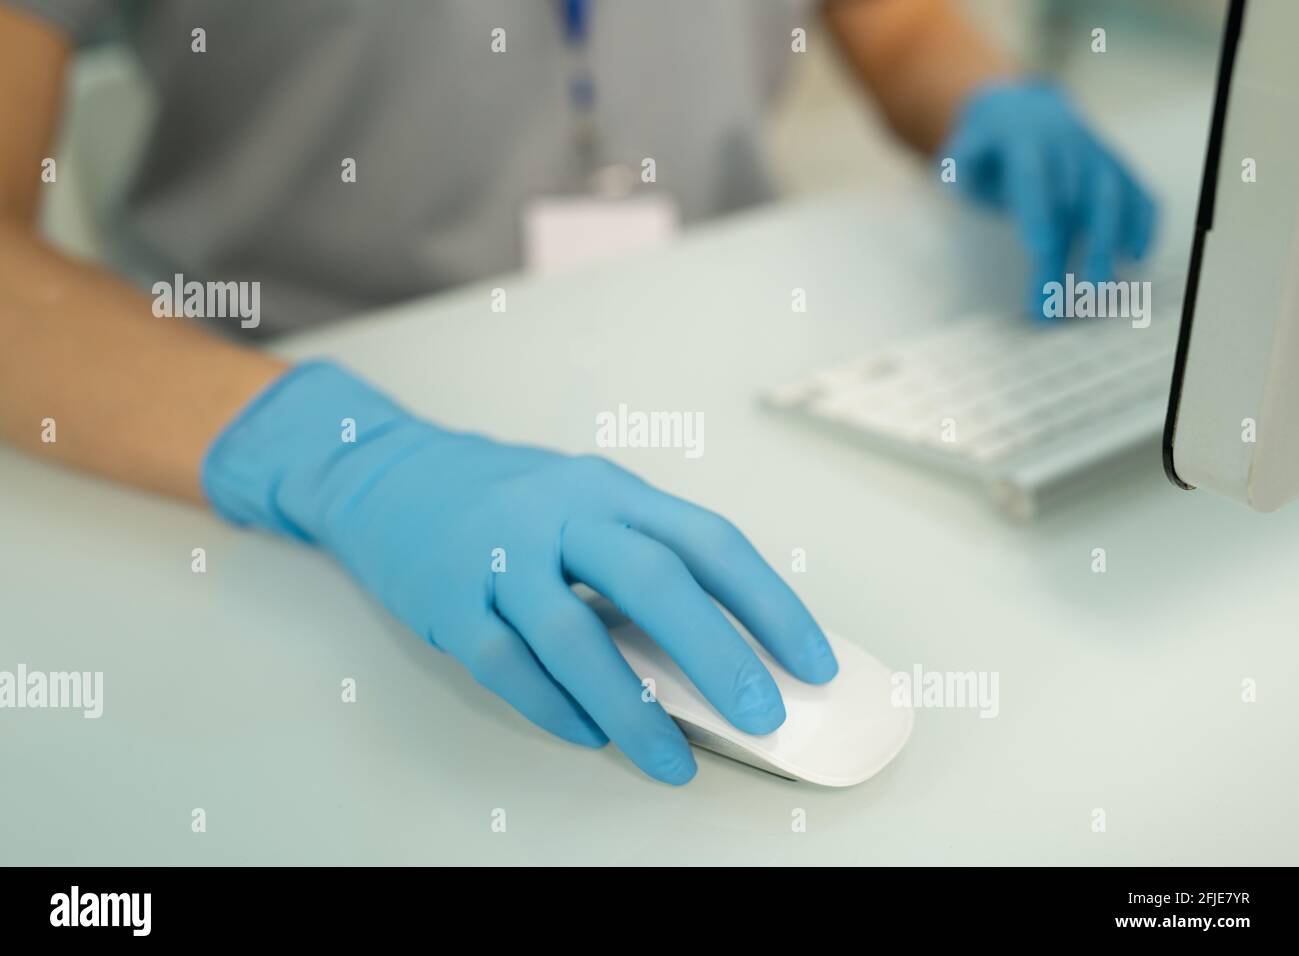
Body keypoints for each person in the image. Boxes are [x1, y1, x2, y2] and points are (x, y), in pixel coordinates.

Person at [0, 0, 1154, 784]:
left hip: (732, 367)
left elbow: (896, 25)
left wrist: (983, 99)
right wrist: (345, 460)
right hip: (238, 428)